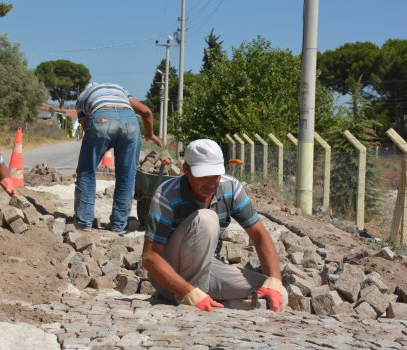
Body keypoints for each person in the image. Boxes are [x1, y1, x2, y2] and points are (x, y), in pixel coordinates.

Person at [141, 139, 287, 312]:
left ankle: (210, 301)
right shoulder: (167, 195)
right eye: (203, 176)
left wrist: (275, 279)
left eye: (215, 176)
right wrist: (189, 291)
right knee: (206, 219)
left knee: (277, 294)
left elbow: (259, 235)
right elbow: (150, 257)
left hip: (208, 267)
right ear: (186, 169)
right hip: (169, 273)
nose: (211, 183)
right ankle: (188, 296)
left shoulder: (230, 188)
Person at [74, 82, 163, 233]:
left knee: (86, 172)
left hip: (101, 118)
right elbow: (147, 112)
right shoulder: (120, 90)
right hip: (130, 122)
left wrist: (103, 141)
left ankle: (84, 223)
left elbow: (86, 127)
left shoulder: (83, 97)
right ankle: (118, 224)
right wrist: (149, 134)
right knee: (127, 175)